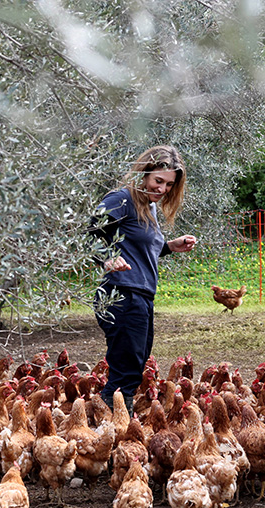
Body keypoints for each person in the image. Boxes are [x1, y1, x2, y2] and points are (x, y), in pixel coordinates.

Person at [88, 145, 197, 415]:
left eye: (169, 185)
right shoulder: (122, 199)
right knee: (125, 374)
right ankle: (111, 430)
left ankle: (108, 426)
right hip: (121, 294)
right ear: (143, 174)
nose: (163, 189)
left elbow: (140, 250)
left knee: (133, 369)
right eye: (158, 181)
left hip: (140, 297)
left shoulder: (148, 207)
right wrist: (105, 259)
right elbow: (89, 234)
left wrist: (170, 246)